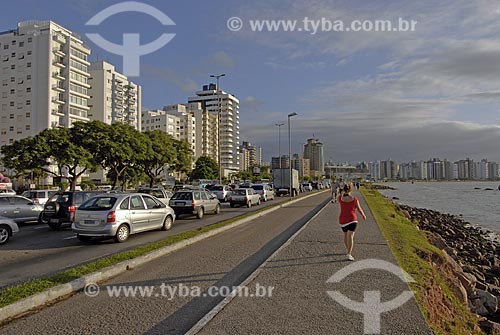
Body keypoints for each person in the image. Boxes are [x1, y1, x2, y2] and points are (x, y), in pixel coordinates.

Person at [337, 182, 367, 261]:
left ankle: (348, 251)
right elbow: (359, 209)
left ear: (344, 189)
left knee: (345, 235)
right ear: (351, 189)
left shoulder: (340, 198)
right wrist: (363, 215)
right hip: (352, 220)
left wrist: (342, 193)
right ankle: (349, 253)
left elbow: (338, 197)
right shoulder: (355, 199)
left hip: (342, 220)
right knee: (350, 236)